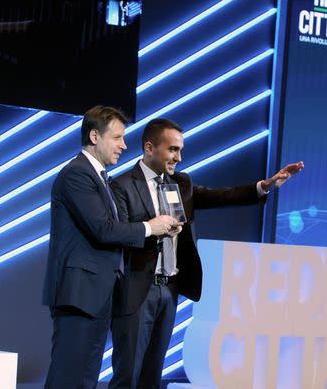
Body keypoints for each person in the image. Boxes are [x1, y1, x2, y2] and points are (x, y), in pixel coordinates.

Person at [109, 118, 303, 389]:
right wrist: (154, 229)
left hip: (169, 291)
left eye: (180, 149)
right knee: (127, 376)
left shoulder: (181, 183)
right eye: (172, 150)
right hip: (138, 290)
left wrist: (264, 186)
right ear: (149, 148)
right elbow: (118, 234)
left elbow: (221, 196)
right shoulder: (121, 185)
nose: (179, 156)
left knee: (152, 377)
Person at [42, 106, 179, 389]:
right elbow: (103, 229)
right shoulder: (77, 175)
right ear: (94, 136)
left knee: (85, 379)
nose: (124, 145)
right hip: (79, 295)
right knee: (68, 378)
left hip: (97, 296)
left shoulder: (100, 178)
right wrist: (149, 227)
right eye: (117, 138)